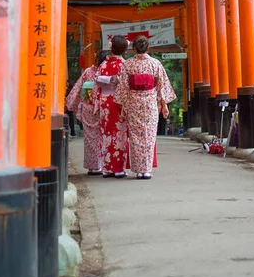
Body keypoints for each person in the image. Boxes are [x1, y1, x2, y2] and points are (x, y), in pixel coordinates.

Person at [115, 35, 176, 180]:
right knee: (149, 135)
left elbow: (123, 88)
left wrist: (123, 106)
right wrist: (164, 104)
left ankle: (138, 170)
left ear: (134, 48)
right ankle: (146, 170)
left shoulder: (128, 64)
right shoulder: (155, 63)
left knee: (135, 136)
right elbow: (162, 85)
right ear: (147, 48)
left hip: (133, 102)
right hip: (150, 102)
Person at [65, 51, 109, 175]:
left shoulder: (88, 71)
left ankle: (93, 166)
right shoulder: (108, 71)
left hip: (88, 107)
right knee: (102, 137)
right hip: (103, 106)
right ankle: (102, 164)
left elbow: (78, 87)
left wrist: (71, 104)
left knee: (90, 138)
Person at [93, 35, 128, 179]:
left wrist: (106, 80)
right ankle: (118, 168)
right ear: (125, 49)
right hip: (119, 102)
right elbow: (126, 84)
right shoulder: (124, 65)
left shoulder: (103, 65)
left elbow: (96, 80)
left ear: (110, 47)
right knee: (120, 134)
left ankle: (107, 168)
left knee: (106, 133)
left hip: (105, 102)